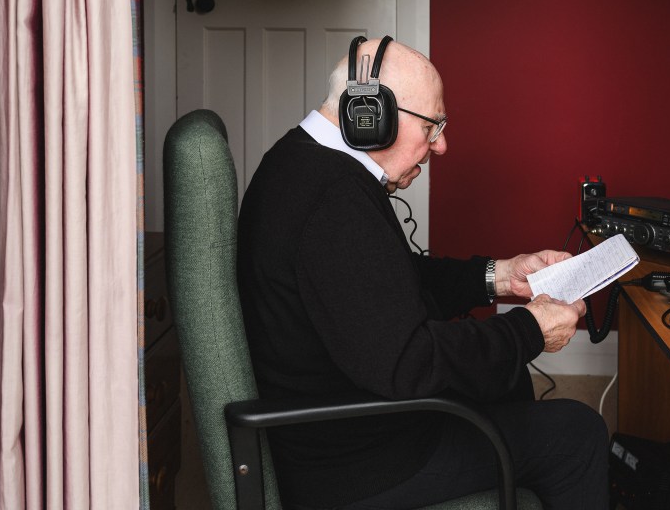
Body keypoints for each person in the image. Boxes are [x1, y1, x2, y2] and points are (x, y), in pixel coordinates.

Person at [237, 37, 610, 509]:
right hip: (360, 463)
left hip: (344, 430)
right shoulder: (334, 202)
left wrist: (499, 276)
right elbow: (407, 364)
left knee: (506, 380)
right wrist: (529, 331)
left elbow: (380, 283)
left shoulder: (300, 163)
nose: (443, 145)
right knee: (577, 434)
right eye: (434, 126)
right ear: (370, 116)